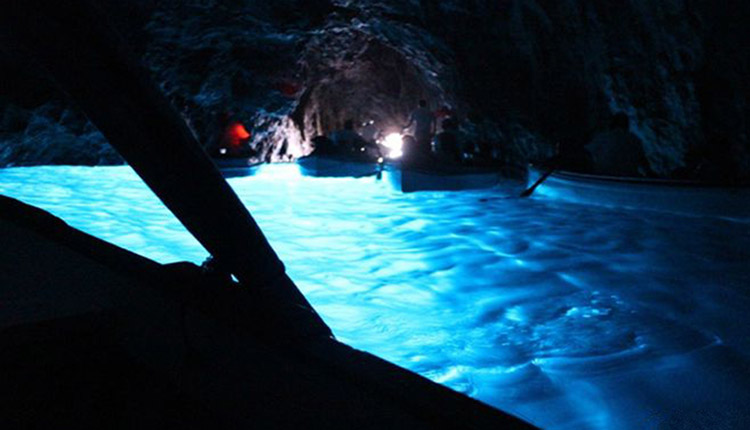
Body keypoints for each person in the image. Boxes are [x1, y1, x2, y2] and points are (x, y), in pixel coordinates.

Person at [585, 113, 651, 177]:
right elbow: (643, 162)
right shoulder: (635, 140)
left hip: (602, 178)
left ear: (612, 124)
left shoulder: (603, 138)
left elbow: (586, 153)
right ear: (627, 125)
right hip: (627, 180)